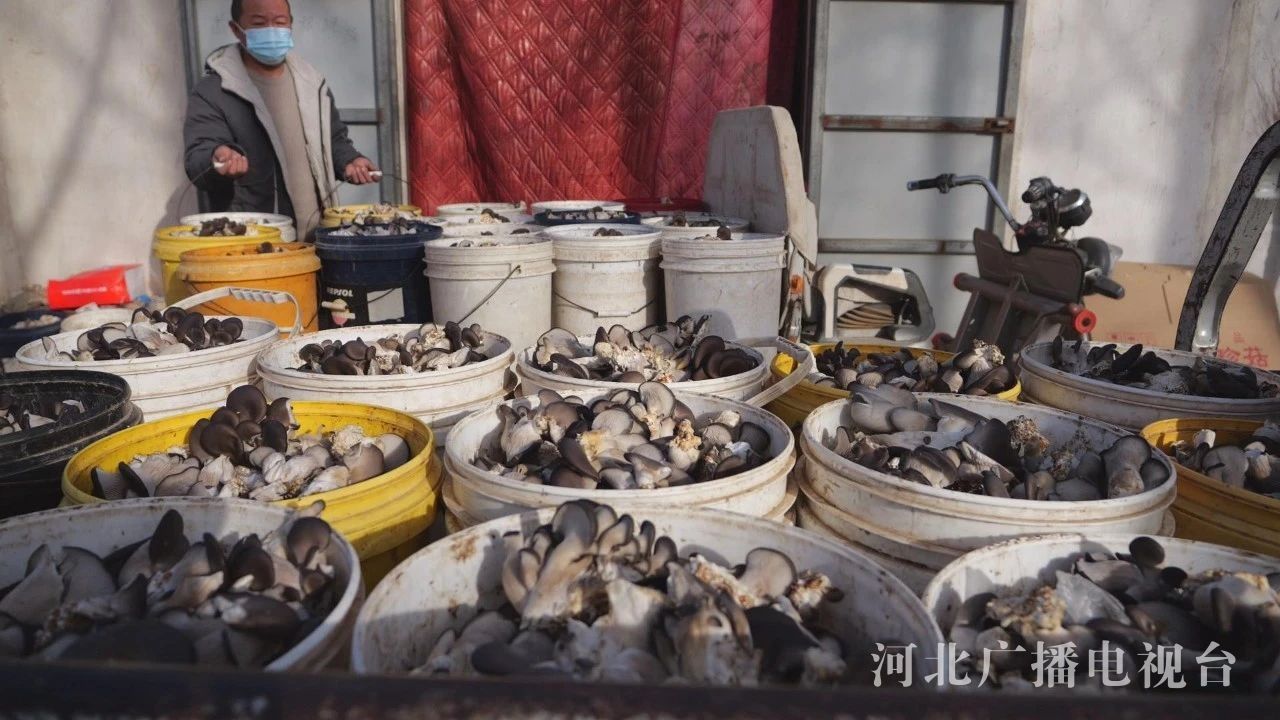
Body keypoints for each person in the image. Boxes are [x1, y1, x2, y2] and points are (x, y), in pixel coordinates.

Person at [182, 0, 379, 239]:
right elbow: (198, 157)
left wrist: (350, 161)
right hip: (256, 239)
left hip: (316, 238)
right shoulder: (214, 91)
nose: (271, 30)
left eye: (280, 22)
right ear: (236, 29)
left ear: (291, 25)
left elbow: (334, 139)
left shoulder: (312, 82)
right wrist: (217, 157)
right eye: (259, 23)